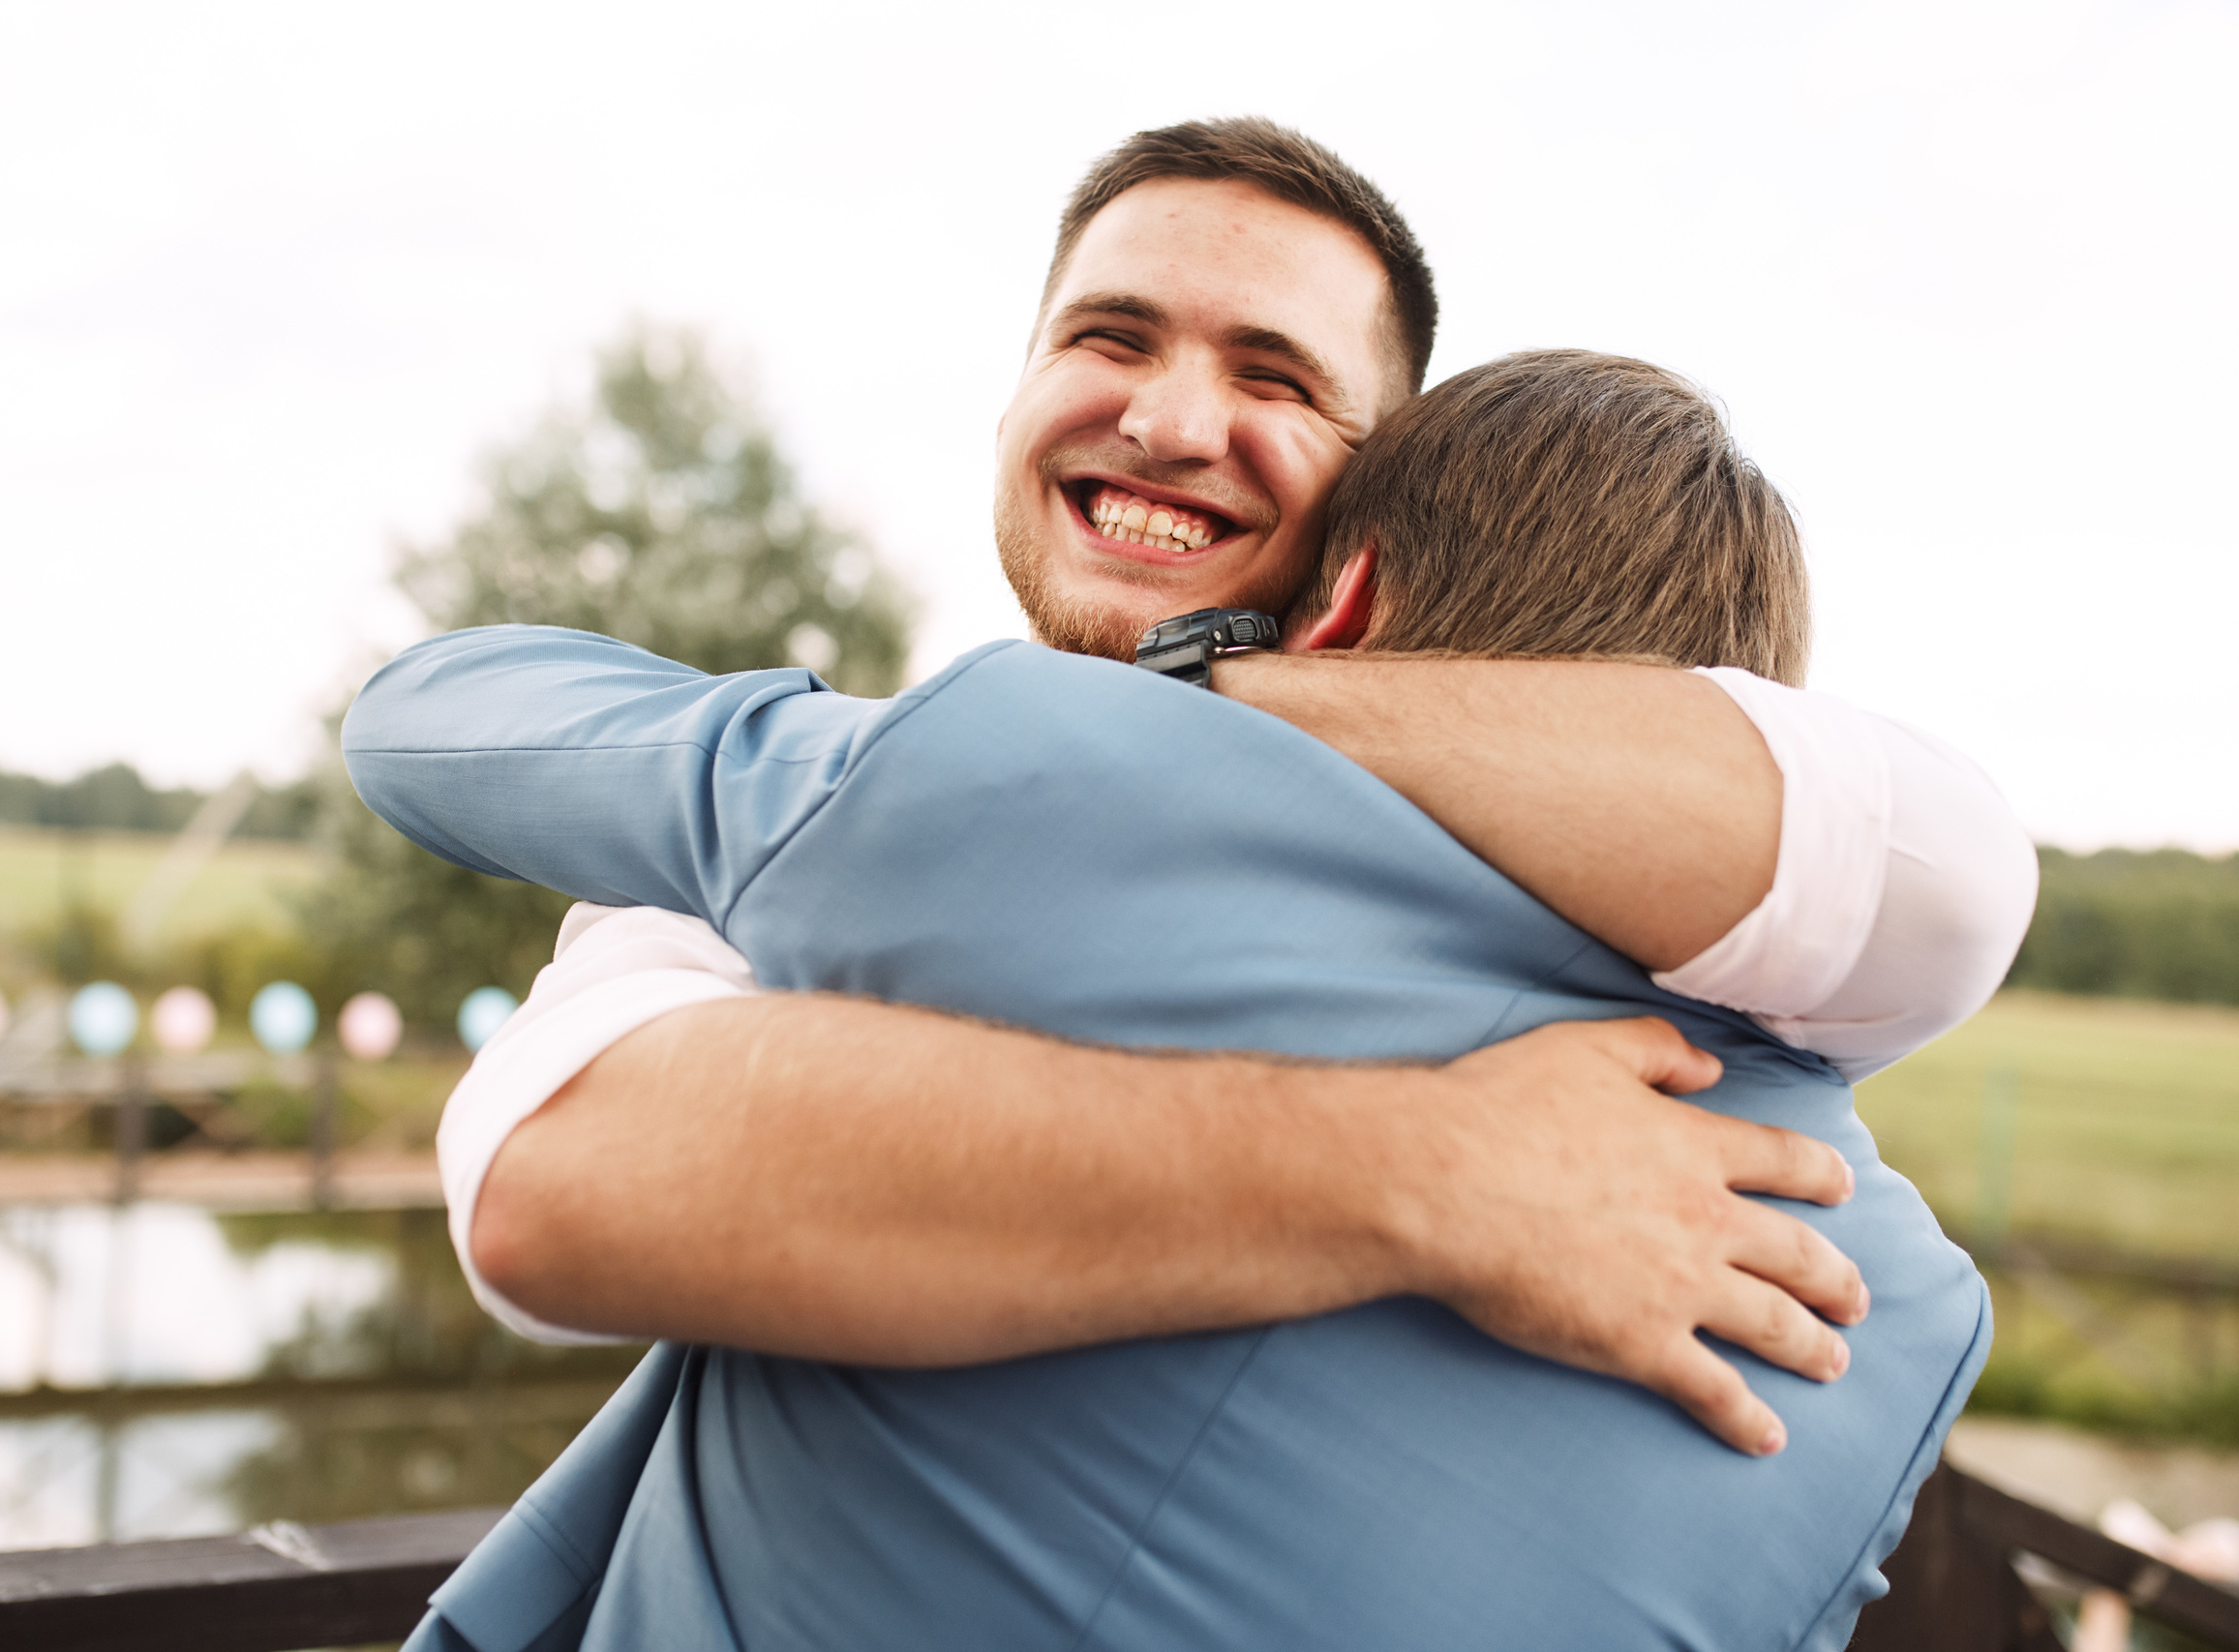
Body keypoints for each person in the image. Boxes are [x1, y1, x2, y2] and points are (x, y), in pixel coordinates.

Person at [348, 345, 2032, 1650]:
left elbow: (438, 723)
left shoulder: (1052, 788)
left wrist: (1188, 690)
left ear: (1344, 598)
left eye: (1281, 378)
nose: (1175, 424)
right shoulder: (1906, 1313)